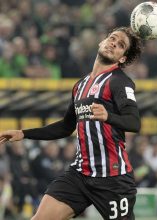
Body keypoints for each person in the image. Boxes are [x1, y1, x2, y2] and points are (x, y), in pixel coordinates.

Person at [0, 26, 143, 220]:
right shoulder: (80, 85)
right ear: (102, 41)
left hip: (113, 178)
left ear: (122, 58)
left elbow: (134, 122)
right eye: (112, 38)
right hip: (79, 174)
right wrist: (23, 133)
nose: (113, 44)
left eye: (120, 45)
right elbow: (66, 127)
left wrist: (108, 116)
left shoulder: (120, 82)